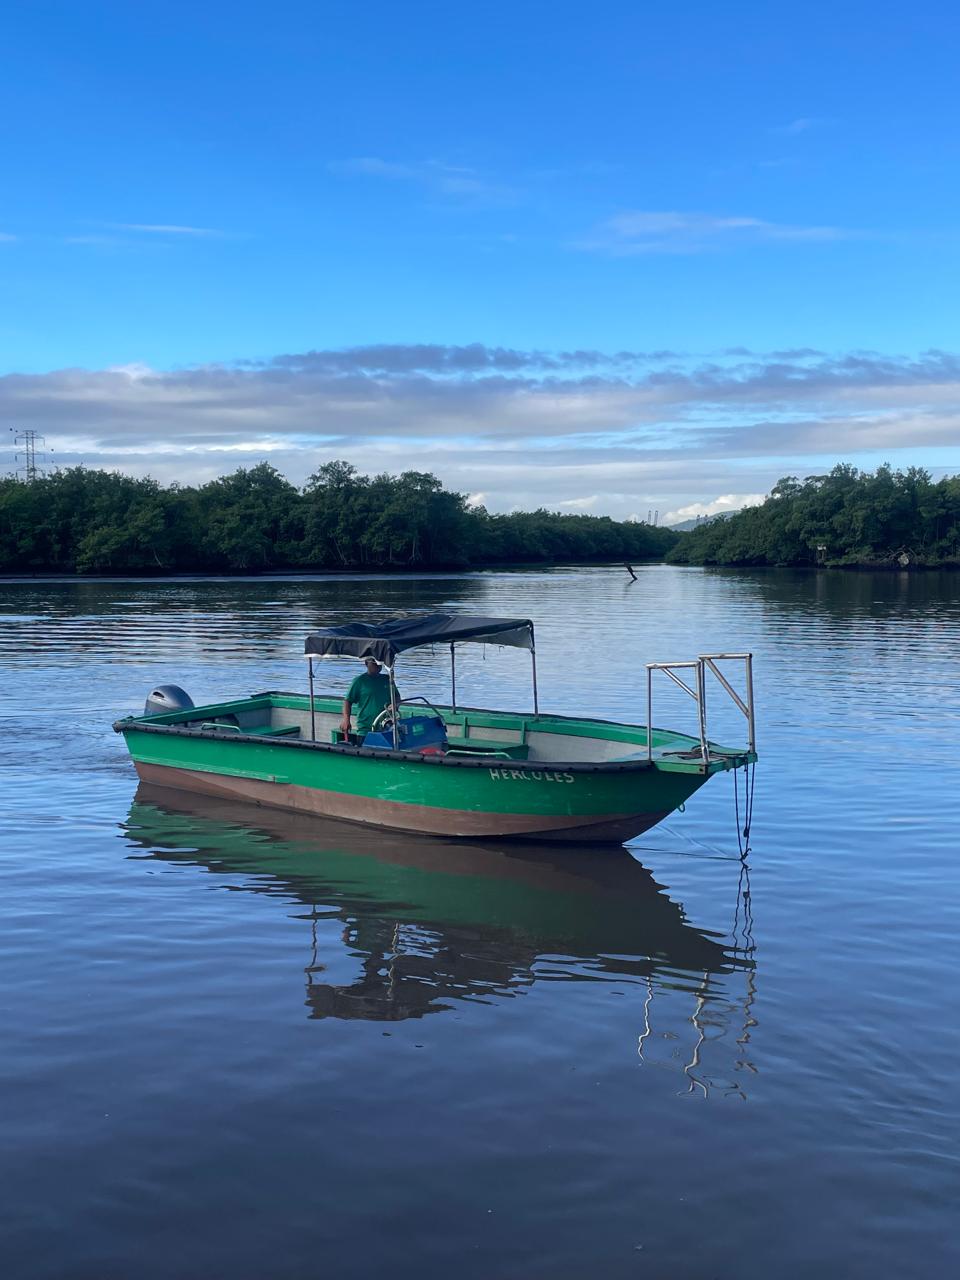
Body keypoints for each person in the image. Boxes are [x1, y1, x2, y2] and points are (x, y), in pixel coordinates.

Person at [341, 656, 396, 738]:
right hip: (365, 729)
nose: (377, 665)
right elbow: (347, 701)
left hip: (386, 726)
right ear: (366, 663)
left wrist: (395, 705)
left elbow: (397, 697)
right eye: (374, 663)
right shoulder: (359, 681)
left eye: (379, 662)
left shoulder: (387, 679)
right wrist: (346, 720)